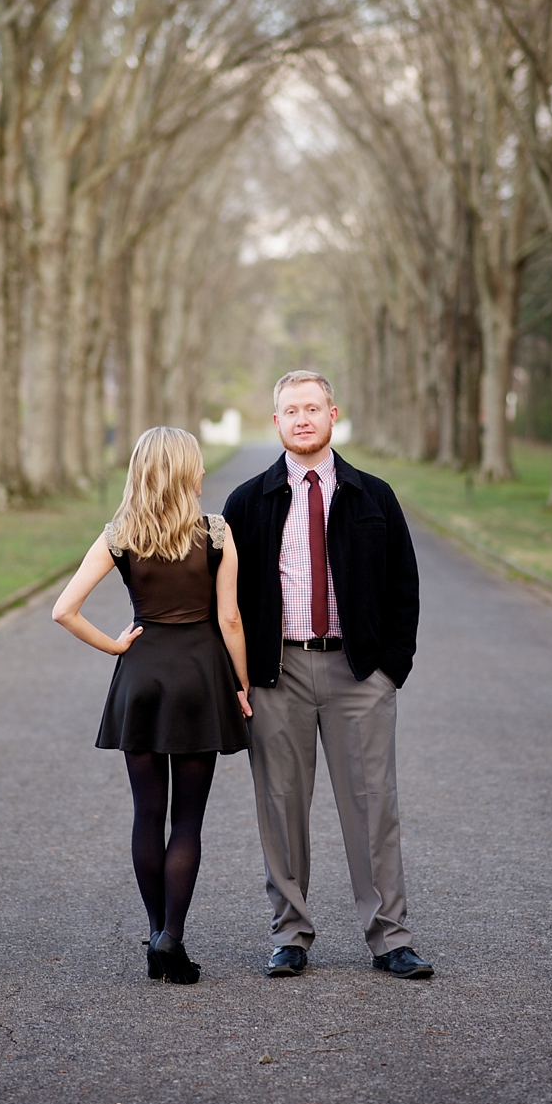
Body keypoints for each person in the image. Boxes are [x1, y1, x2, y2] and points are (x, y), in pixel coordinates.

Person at [221, 370, 429, 979]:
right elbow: (225, 600)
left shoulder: (374, 496)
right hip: (276, 673)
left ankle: (390, 937)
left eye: (313, 408)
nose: (303, 419)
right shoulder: (247, 503)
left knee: (373, 809)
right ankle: (290, 933)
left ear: (333, 414)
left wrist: (391, 669)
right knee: (281, 806)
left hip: (358, 673)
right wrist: (241, 677)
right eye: (291, 410)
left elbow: (404, 587)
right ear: (277, 421)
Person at [53, 426, 254, 984]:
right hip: (199, 680)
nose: (206, 472)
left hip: (140, 680)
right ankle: (173, 938)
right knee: (187, 820)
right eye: (199, 464)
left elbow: (64, 610)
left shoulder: (119, 535)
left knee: (148, 813)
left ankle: (154, 933)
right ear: (186, 471)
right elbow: (230, 618)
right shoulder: (215, 532)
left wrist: (116, 645)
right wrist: (242, 685)